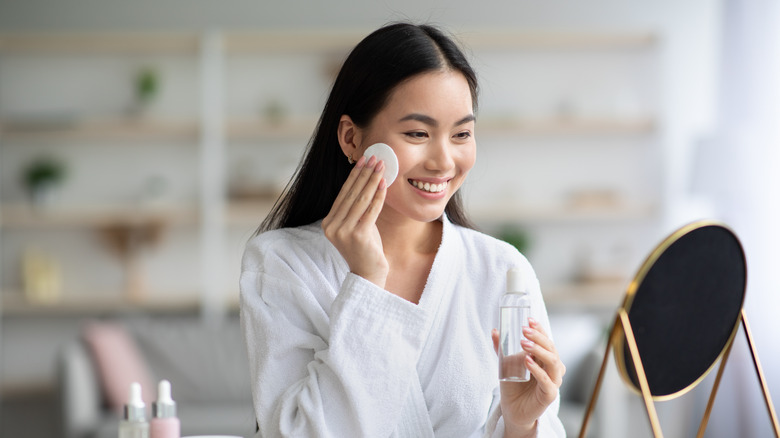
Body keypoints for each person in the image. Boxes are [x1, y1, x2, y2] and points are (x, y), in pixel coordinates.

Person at [240, 22, 566, 438]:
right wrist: (367, 284)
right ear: (351, 138)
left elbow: (538, 424)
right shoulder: (280, 263)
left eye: (462, 134)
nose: (444, 161)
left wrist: (521, 424)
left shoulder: (502, 270)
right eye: (417, 133)